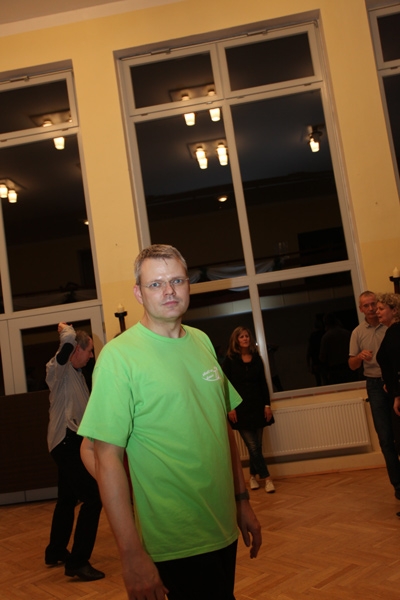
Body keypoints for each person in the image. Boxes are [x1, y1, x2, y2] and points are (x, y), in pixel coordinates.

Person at [78, 244, 261, 600]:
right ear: (138, 293)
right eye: (155, 284)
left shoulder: (202, 341)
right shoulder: (119, 358)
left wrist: (241, 501)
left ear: (188, 284)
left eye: (177, 280)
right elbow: (105, 456)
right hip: (172, 540)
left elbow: (222, 428)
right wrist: (130, 553)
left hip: (221, 526)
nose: (169, 291)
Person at [45, 322, 104, 581]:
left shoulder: (77, 376)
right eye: (89, 350)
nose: (91, 356)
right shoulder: (58, 369)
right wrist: (65, 328)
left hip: (70, 442)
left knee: (67, 499)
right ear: (76, 350)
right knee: (94, 498)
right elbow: (68, 340)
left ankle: (55, 551)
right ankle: (78, 562)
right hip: (65, 442)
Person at [349, 291, 400, 500]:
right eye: (367, 306)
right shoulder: (358, 332)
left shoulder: (391, 326)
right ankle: (398, 485)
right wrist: (359, 357)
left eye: (375, 305)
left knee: (399, 435)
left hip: (394, 385)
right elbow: (352, 365)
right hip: (375, 386)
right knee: (385, 438)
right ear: (361, 309)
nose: (372, 309)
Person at [222, 326, 275, 494]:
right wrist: (229, 407)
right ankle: (267, 478)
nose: (245, 339)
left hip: (258, 406)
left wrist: (267, 405)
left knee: (257, 446)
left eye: (247, 336)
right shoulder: (230, 360)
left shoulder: (257, 358)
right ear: (236, 340)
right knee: (252, 446)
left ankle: (252, 476)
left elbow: (263, 383)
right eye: (241, 337)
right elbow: (225, 385)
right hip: (240, 409)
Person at [376, 293, 400, 423]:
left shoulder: (395, 332)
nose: (377, 312)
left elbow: (397, 365)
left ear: (394, 310)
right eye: (377, 309)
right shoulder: (391, 331)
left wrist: (397, 395)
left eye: (381, 309)